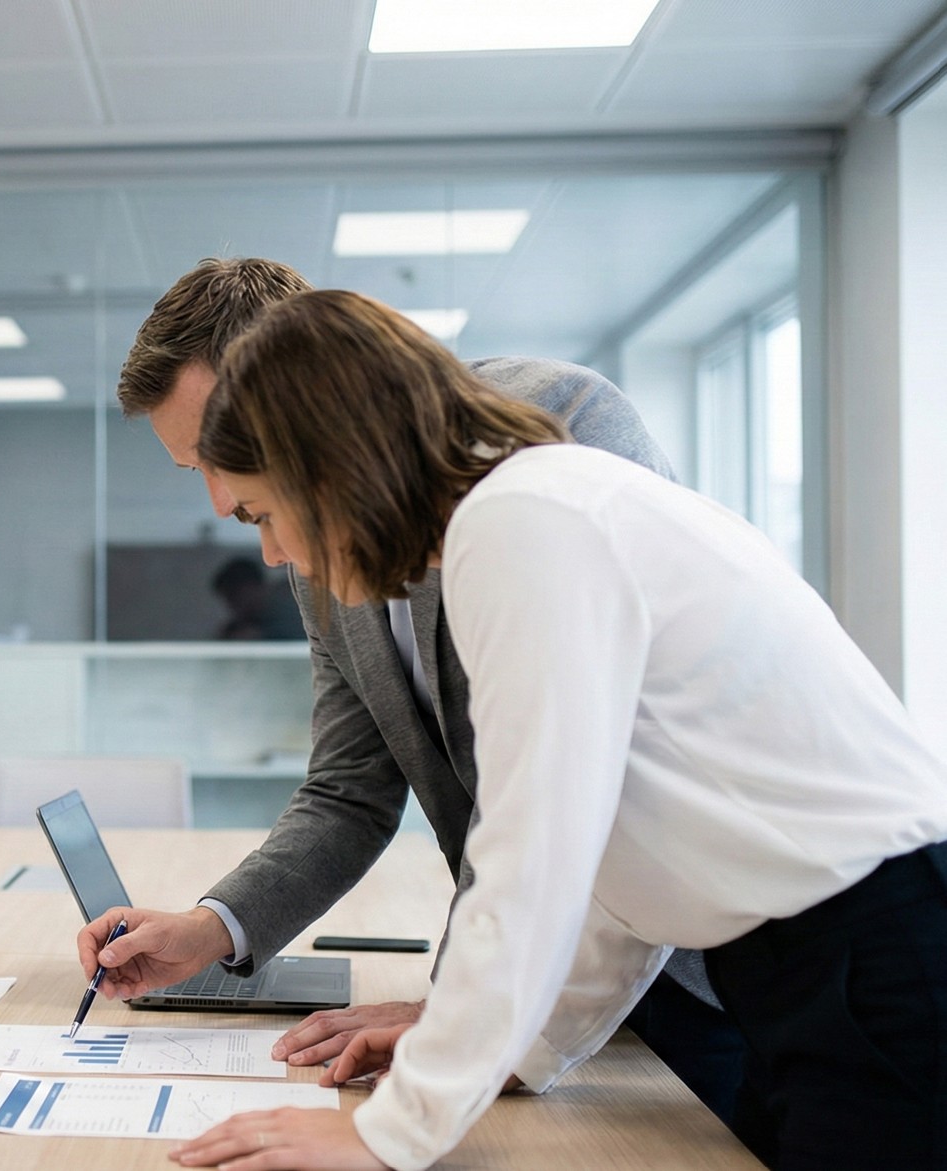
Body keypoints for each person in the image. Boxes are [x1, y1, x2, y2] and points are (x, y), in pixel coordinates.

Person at [156, 289, 947, 1170]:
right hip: (810, 952)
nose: (272, 556)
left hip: (877, 945)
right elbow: (606, 863)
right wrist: (517, 1054)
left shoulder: (522, 519)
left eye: (265, 515)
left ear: (328, 467)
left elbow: (533, 852)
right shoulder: (522, 511)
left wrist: (389, 1131)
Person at [97, 258, 745, 1120]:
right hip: (567, 958)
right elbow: (346, 790)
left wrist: (460, 1029)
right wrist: (214, 930)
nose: (226, 503)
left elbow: (591, 787)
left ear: (302, 387)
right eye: (198, 470)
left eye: (228, 450)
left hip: (719, 950)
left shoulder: (542, 439)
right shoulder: (303, 534)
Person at [210, 555, 306, 641]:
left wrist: (262, 636)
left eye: (234, 596)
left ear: (253, 587)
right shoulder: (246, 623)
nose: (231, 605)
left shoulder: (291, 610)